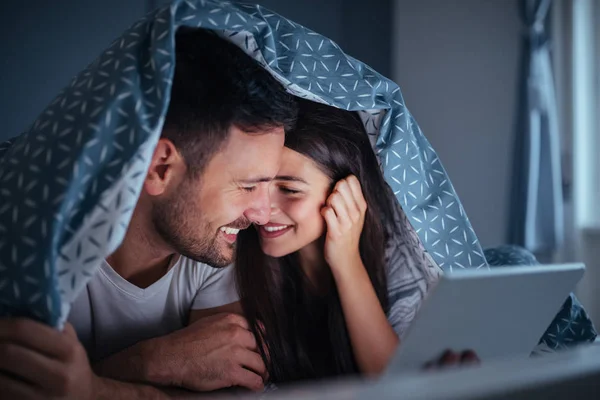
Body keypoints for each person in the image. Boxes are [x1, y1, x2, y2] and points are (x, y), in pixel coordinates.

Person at [0, 28, 298, 398]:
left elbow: (231, 389)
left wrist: (103, 381)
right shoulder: (30, 241)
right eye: (249, 185)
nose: (262, 213)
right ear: (160, 168)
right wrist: (150, 364)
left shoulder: (214, 244)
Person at [235, 99, 478, 385]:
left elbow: (395, 384)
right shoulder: (231, 251)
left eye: (288, 189)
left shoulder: (400, 263)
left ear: (345, 192)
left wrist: (346, 261)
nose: (260, 209)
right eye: (255, 184)